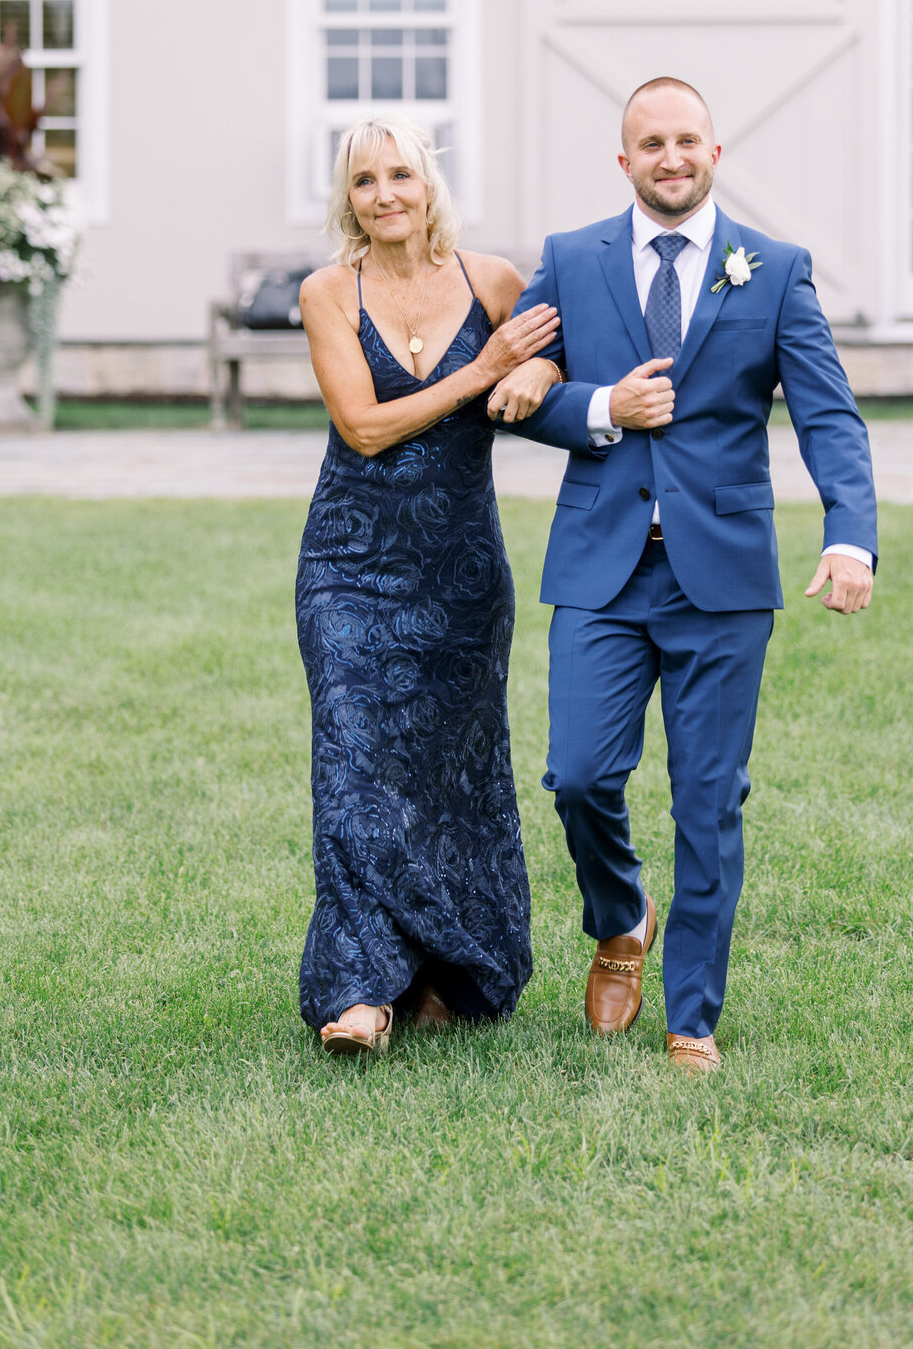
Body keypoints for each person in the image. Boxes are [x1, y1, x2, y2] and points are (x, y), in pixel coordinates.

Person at [488, 77, 878, 1074]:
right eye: (650, 143)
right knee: (579, 776)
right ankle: (622, 918)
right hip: (602, 574)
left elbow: (827, 413)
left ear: (715, 153)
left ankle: (690, 1018)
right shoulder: (573, 262)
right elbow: (514, 390)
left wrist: (850, 536)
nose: (671, 157)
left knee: (709, 799)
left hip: (725, 578)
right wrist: (599, 406)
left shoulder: (775, 269)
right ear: (625, 161)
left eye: (688, 141)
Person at [295, 113, 573, 1057]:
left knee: (453, 776)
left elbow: (564, 347)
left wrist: (531, 368)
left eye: (401, 176)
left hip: (460, 572)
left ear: (429, 184)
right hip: (350, 565)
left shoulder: (490, 280)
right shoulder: (329, 292)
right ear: (349, 199)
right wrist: (484, 372)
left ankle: (448, 974)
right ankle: (362, 990)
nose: (386, 196)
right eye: (366, 182)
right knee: (356, 769)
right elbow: (365, 427)